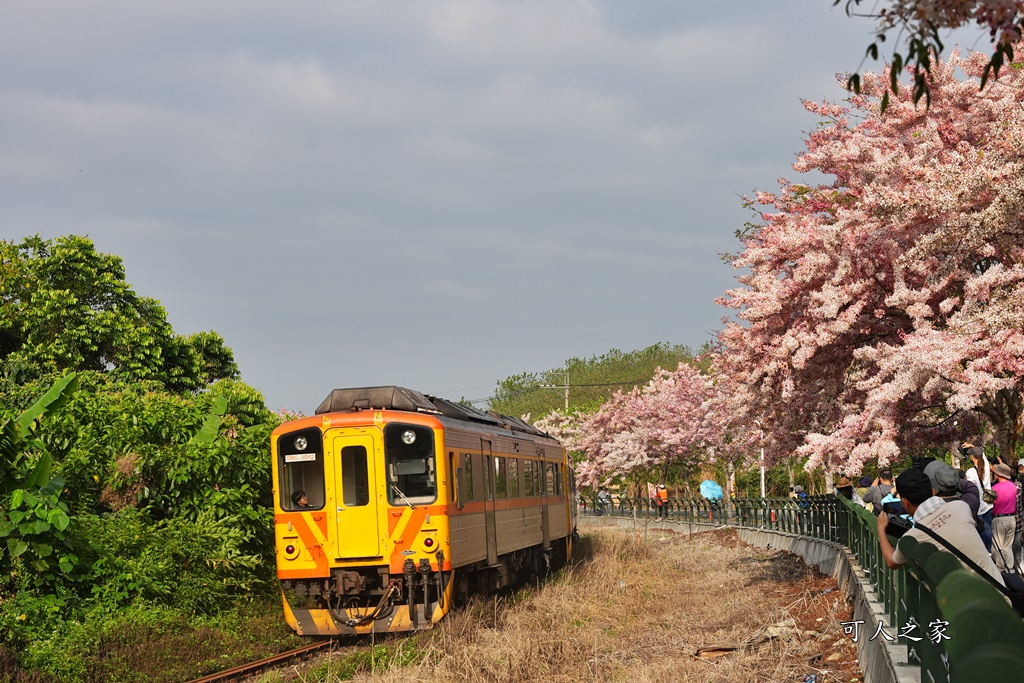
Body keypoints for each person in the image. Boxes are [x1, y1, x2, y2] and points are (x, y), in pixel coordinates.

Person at [876, 468, 1004, 587]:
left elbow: (892, 562)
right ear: (932, 491)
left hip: (968, 608)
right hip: (1001, 596)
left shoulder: (913, 537)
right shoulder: (961, 507)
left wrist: (881, 529)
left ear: (904, 501)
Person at [963, 443, 994, 551]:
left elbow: (970, 488)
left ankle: (983, 550)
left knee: (980, 528)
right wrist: (972, 445)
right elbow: (982, 454)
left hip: (979, 504)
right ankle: (989, 549)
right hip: (988, 503)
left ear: (972, 457)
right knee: (987, 527)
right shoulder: (986, 465)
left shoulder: (971, 472)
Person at [991, 463, 1018, 573]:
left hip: (999, 519)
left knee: (998, 546)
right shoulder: (1013, 486)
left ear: (998, 474)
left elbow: (989, 504)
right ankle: (1010, 568)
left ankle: (1000, 569)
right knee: (1008, 545)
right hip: (1012, 518)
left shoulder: (994, 488)